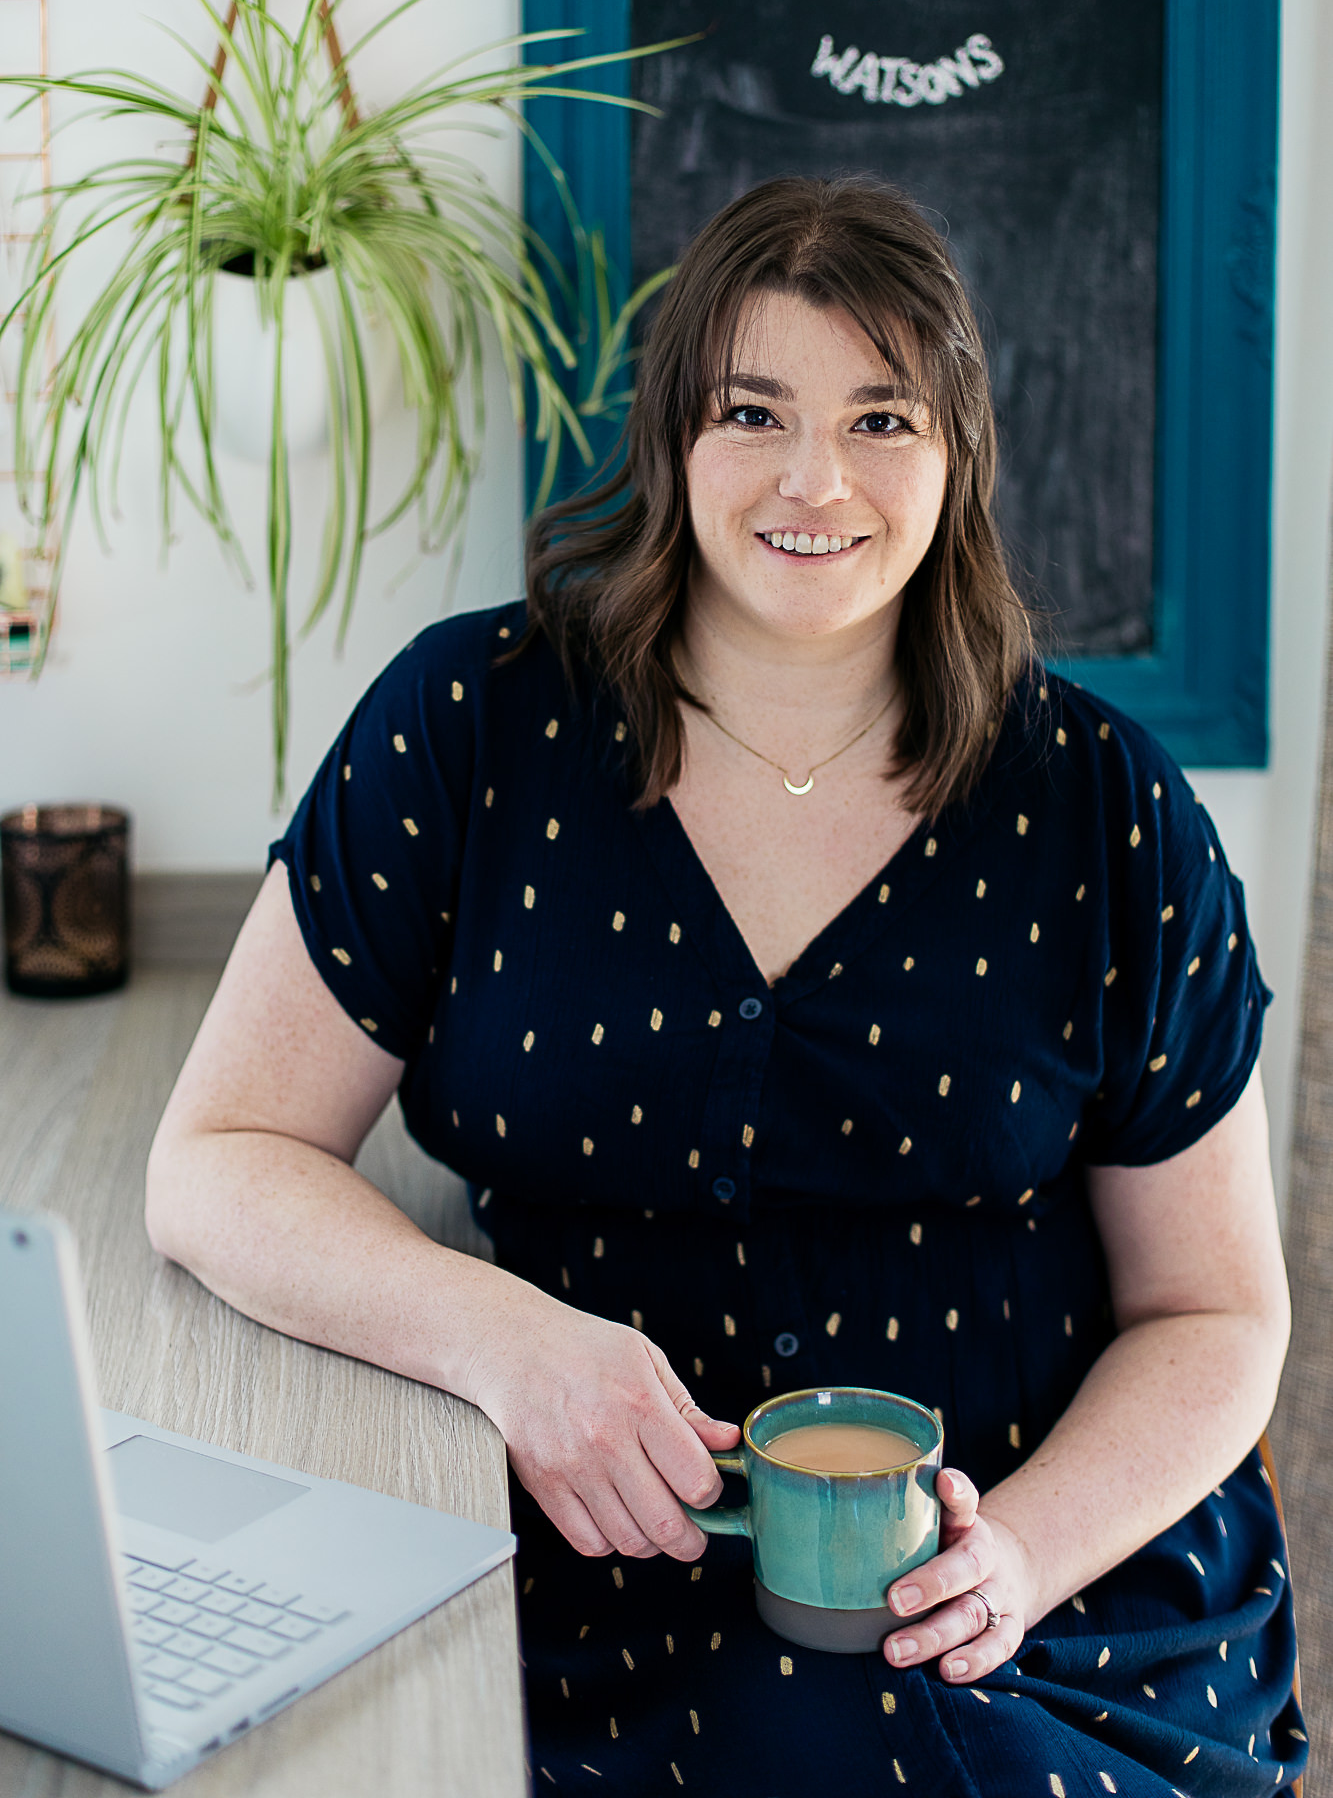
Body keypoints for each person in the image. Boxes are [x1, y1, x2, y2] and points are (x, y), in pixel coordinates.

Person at [145, 177, 1306, 1795]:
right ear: (670, 438)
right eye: (750, 411)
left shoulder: (1106, 807)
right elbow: (218, 1165)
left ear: (957, 451)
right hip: (574, 1559)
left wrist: (1019, 1557)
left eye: (881, 418)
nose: (813, 479)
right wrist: (512, 1348)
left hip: (1026, 1584)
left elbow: (1218, 1308)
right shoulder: (468, 723)